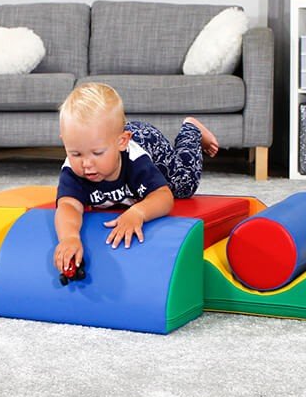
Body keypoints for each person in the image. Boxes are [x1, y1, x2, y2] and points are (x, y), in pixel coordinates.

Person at [54, 82, 218, 274]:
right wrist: (69, 238)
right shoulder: (72, 170)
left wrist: (138, 212)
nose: (86, 164)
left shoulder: (135, 160)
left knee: (183, 185)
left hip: (148, 142)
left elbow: (164, 197)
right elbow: (68, 206)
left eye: (97, 153)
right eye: (76, 154)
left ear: (121, 142)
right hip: (113, 136)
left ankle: (191, 130)